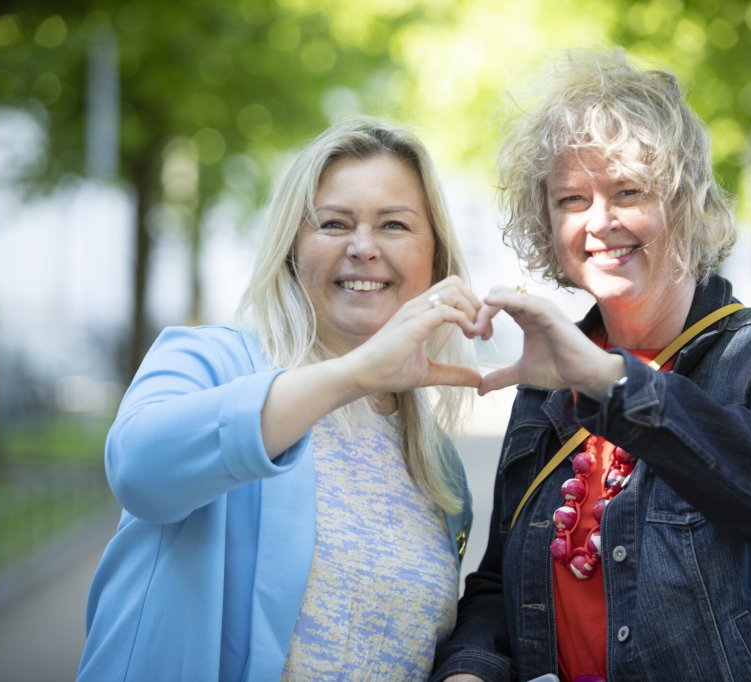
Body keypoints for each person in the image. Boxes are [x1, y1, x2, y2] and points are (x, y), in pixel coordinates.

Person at [433, 48, 751, 681]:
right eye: (571, 199)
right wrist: (469, 670)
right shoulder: (546, 386)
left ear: (684, 203)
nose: (599, 222)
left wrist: (608, 383)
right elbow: (502, 584)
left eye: (628, 191)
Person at [77, 116, 491, 681]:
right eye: (333, 223)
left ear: (435, 260)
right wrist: (354, 373)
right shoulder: (211, 363)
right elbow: (138, 470)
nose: (363, 247)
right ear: (293, 248)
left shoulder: (436, 464)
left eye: (394, 225)